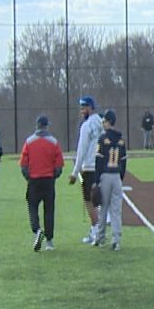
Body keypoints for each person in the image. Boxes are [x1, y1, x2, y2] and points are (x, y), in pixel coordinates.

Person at [20, 114, 63, 251]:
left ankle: (37, 229)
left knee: (32, 207)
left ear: (36, 126)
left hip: (34, 180)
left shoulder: (29, 142)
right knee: (49, 210)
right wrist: (53, 176)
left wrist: (29, 177)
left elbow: (23, 165)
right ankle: (49, 241)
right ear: (46, 126)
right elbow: (59, 166)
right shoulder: (54, 142)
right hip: (48, 180)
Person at [92, 109, 127, 251]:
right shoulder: (121, 140)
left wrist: (96, 180)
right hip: (117, 176)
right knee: (116, 210)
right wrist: (120, 177)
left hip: (105, 175)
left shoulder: (102, 139)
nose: (103, 123)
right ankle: (116, 240)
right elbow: (124, 162)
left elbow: (98, 162)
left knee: (103, 208)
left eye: (105, 121)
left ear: (109, 122)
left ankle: (100, 238)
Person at [71, 95, 103, 244]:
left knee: (88, 201)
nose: (81, 111)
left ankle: (96, 231)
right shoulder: (102, 123)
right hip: (102, 166)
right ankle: (96, 230)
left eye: (83, 108)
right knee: (99, 200)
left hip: (89, 167)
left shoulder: (86, 126)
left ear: (90, 108)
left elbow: (81, 150)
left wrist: (75, 172)